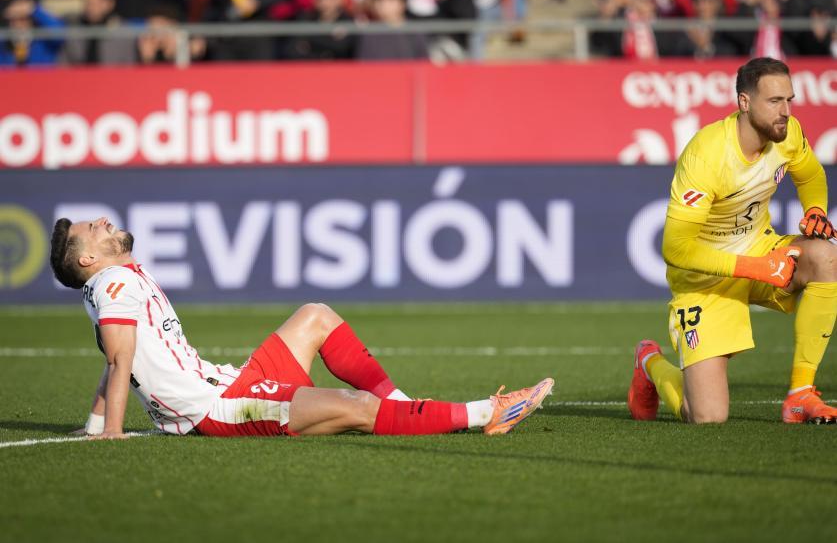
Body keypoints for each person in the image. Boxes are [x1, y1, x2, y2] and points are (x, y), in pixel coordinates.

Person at [49, 216, 553, 439]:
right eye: (89, 231)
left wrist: (94, 423)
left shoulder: (119, 279)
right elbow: (118, 359)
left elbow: (119, 358)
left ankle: (401, 403)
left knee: (315, 314)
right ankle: (487, 412)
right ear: (89, 258)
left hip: (226, 382)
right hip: (216, 409)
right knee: (357, 408)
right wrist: (111, 432)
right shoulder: (112, 284)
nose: (100, 221)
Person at [628, 57, 837, 425]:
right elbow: (676, 249)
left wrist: (816, 209)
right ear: (744, 102)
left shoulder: (787, 134)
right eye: (774, 101)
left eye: (789, 100)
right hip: (705, 279)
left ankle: (801, 394)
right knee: (706, 416)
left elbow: (811, 174)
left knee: (826, 257)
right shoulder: (706, 154)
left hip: (761, 249)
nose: (785, 112)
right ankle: (651, 364)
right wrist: (756, 268)